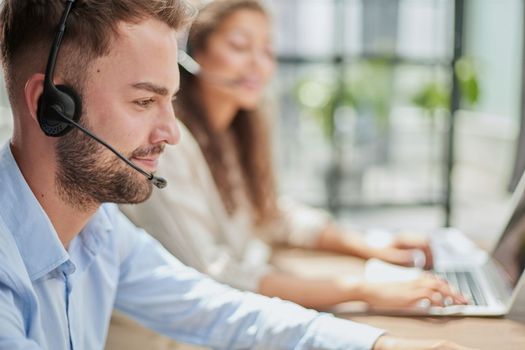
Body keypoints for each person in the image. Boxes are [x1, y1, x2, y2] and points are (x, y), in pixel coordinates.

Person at [0, 0, 475, 350]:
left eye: (169, 100)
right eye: (144, 101)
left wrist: (381, 344)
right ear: (52, 106)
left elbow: (220, 310)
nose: (171, 133)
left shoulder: (101, 233)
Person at [121, 0, 466, 312]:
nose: (259, 64)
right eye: (240, 46)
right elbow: (213, 274)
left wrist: (372, 246)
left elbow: (271, 214)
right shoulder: (166, 147)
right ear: (192, 51)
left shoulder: (234, 131)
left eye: (268, 50)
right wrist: (362, 289)